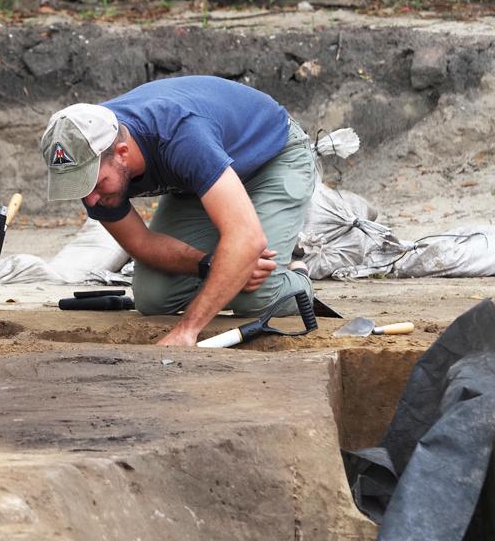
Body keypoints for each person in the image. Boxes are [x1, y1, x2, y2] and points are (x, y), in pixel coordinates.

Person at [40, 75, 314, 346]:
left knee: (255, 296)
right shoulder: (88, 153)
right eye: (80, 187)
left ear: (122, 153)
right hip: (202, 182)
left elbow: (247, 238)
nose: (90, 201)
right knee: (154, 298)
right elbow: (141, 243)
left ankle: (297, 275)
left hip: (272, 158)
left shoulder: (180, 134)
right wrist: (211, 264)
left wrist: (188, 329)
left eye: (97, 184)